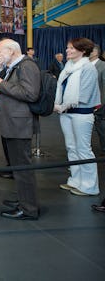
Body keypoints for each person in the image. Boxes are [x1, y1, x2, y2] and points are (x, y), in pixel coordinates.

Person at [0, 39, 41, 220]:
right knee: (18, 167)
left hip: (20, 124)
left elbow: (30, 94)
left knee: (22, 168)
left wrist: (0, 83)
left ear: (11, 51)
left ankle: (29, 208)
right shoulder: (16, 66)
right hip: (13, 123)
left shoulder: (27, 66)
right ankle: (24, 201)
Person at [54, 38, 100, 196]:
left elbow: (84, 96)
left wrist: (60, 106)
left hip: (81, 113)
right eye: (68, 48)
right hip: (66, 113)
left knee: (83, 149)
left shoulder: (88, 68)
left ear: (83, 51)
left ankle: (89, 186)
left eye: (72, 48)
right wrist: (61, 106)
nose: (68, 51)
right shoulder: (69, 67)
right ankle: (75, 180)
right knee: (71, 148)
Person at [90, 45, 105, 154]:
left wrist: (100, 104)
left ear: (96, 52)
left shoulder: (103, 66)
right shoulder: (85, 66)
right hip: (86, 104)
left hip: (99, 104)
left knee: (101, 128)